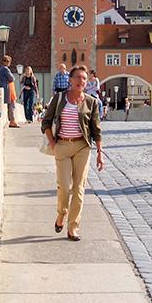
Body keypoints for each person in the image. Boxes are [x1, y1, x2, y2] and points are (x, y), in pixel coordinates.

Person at [39, 65, 105, 241]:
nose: (81, 81)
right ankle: (62, 213)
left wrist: (99, 152)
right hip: (62, 145)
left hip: (82, 147)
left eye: (84, 78)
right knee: (64, 186)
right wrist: (53, 143)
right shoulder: (60, 98)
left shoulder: (91, 102)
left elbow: (96, 129)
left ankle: (73, 227)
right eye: (78, 78)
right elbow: (45, 122)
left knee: (79, 189)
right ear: (70, 80)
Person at [0, 55, 20, 128]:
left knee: (9, 106)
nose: (8, 63)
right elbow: (12, 78)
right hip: (8, 89)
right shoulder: (5, 69)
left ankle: (11, 121)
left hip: (4, 88)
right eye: (7, 61)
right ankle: (12, 121)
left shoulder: (0, 69)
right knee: (12, 105)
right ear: (4, 62)